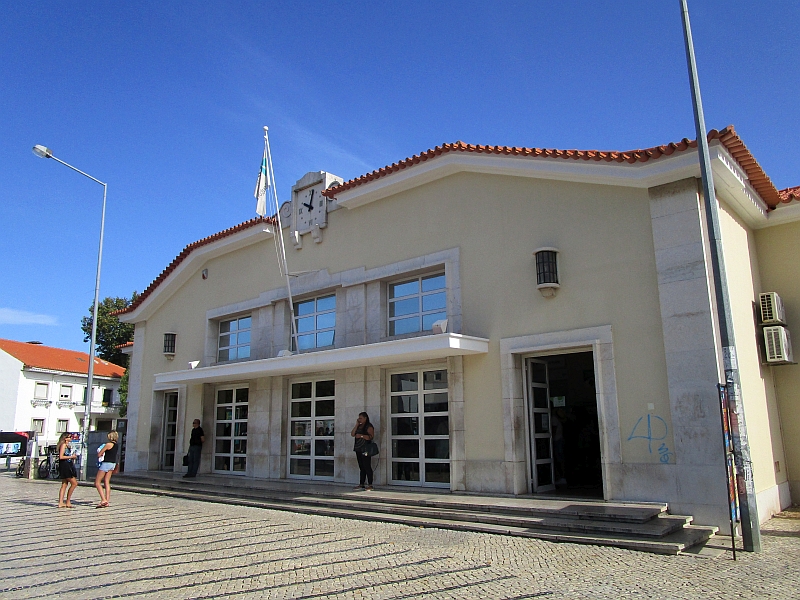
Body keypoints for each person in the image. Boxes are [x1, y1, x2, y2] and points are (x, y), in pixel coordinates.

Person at [350, 412, 375, 491]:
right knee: (361, 466)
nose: (359, 419)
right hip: (358, 449)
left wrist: (361, 436)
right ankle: (362, 484)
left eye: (361, 418)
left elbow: (371, 437)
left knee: (367, 465)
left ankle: (370, 484)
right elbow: (352, 434)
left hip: (365, 449)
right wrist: (357, 424)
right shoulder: (359, 426)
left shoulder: (369, 426)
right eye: (359, 418)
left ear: (365, 418)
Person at [95, 431, 119, 508]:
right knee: (107, 482)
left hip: (106, 463)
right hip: (112, 464)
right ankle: (107, 500)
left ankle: (103, 499)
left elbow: (100, 454)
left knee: (97, 482)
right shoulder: (116, 445)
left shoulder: (108, 444)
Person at [56, 432, 77, 508]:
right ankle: (67, 501)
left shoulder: (67, 445)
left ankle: (61, 502)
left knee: (64, 484)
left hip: (68, 465)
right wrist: (71, 457)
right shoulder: (63, 445)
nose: (71, 438)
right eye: (69, 437)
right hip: (65, 466)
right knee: (74, 483)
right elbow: (61, 457)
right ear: (65, 438)